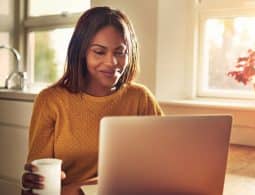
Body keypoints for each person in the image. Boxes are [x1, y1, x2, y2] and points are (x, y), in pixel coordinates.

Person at [21, 6, 163, 195]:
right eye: (99, 52)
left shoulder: (141, 99)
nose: (112, 62)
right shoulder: (51, 101)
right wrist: (33, 184)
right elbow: (35, 187)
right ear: (82, 52)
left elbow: (163, 164)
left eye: (120, 52)